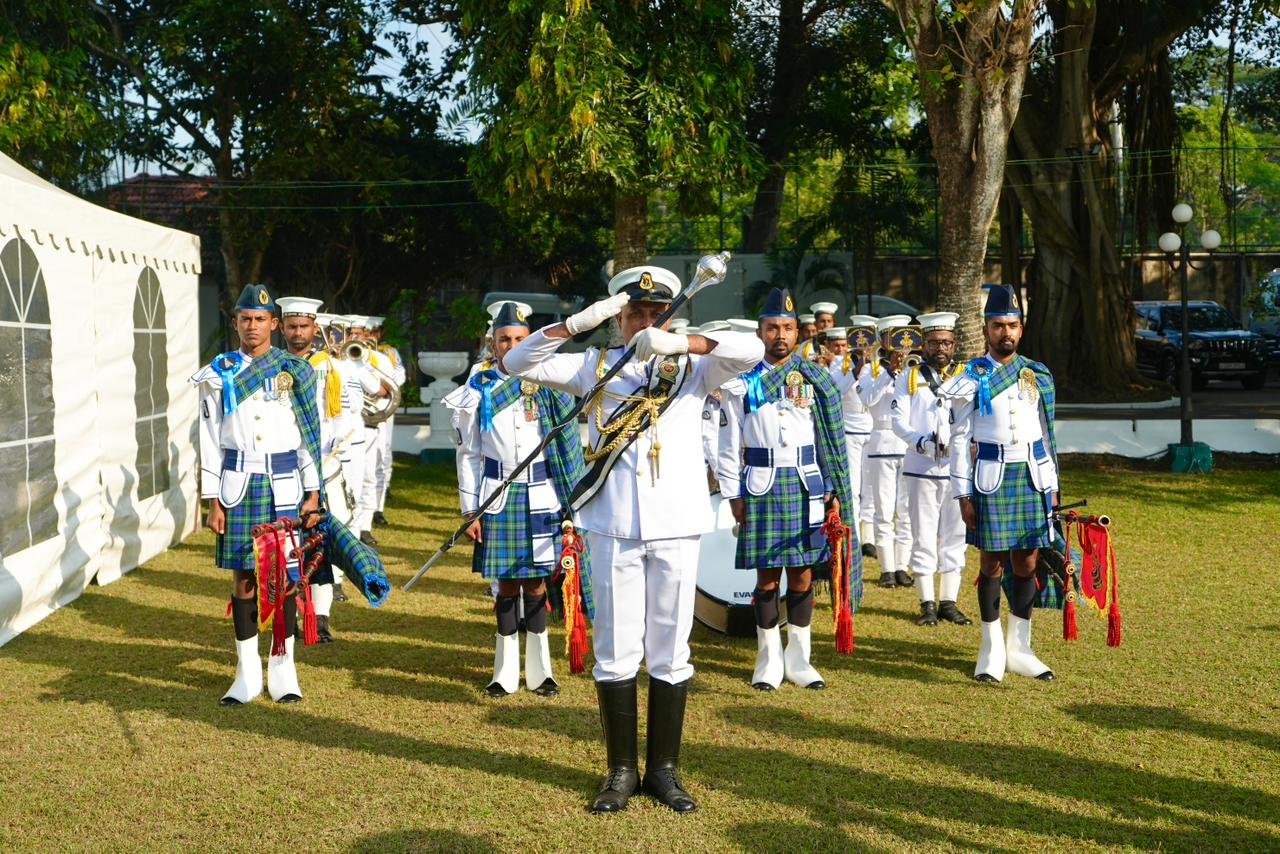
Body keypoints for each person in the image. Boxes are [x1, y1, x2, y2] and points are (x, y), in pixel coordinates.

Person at [505, 265, 762, 814]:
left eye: (655, 313)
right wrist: (581, 320)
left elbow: (753, 350)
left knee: (671, 649)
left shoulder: (695, 368)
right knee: (616, 649)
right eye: (634, 314)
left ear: (670, 316)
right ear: (619, 319)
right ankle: (620, 771)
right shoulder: (594, 365)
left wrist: (681, 340)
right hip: (612, 523)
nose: (645, 321)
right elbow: (515, 361)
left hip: (676, 522)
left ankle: (664, 772)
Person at [443, 301, 590, 697]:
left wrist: (570, 503)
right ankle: (504, 673)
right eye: (504, 339)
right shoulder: (480, 384)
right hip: (498, 496)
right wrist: (469, 509)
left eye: (520, 339)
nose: (511, 346)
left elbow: (566, 447)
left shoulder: (548, 379)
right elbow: (469, 453)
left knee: (538, 584)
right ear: (492, 342)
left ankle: (541, 671)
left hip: (543, 495)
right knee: (507, 584)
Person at [190, 284, 323, 705]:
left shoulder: (297, 371)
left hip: (285, 486)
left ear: (275, 325)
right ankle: (246, 674)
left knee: (285, 577)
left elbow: (309, 436)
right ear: (236, 323)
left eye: (260, 319)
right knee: (245, 577)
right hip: (238, 486)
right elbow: (209, 438)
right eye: (245, 318)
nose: (253, 325)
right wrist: (213, 499)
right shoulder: (218, 372)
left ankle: (283, 670)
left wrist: (314, 491)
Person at [717, 288, 854, 691]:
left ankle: (800, 659)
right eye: (773, 327)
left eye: (788, 328)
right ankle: (768, 659)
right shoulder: (741, 383)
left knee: (802, 575)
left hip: (806, 485)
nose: (781, 334)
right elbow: (726, 445)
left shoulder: (817, 378)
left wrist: (833, 489)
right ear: (760, 331)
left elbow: (831, 439)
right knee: (766, 580)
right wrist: (733, 494)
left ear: (799, 332)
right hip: (760, 486)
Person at [941, 284, 1058, 683]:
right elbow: (958, 439)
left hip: (1030, 476)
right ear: (986, 329)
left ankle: (1020, 648)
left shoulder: (1036, 374)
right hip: (989, 479)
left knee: (1027, 561)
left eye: (1011, 325)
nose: (1004, 333)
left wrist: (1053, 484)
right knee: (991, 562)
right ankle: (990, 650)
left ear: (1021, 329)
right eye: (997, 326)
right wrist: (962, 492)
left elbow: (1047, 433)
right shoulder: (970, 377)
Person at [890, 312, 971, 627]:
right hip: (921, 467)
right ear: (924, 343)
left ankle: (949, 602)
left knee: (955, 535)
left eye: (947, 343)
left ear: (954, 344)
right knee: (923, 534)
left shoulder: (966, 376)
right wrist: (920, 442)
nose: (941, 348)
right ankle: (926, 603)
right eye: (935, 342)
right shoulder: (909, 377)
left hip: (958, 469)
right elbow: (898, 421)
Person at [279, 296, 344, 642]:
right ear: (282, 327)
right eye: (292, 326)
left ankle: (320, 618)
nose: (298, 333)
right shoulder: (273, 365)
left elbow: (339, 417)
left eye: (304, 326)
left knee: (320, 546)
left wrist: (330, 461)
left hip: (320, 466)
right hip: (283, 468)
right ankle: (287, 612)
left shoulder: (328, 368)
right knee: (287, 544)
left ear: (314, 328)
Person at [858, 314, 914, 589]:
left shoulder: (915, 368)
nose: (899, 344)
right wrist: (889, 374)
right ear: (882, 340)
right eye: (892, 337)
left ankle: (902, 565)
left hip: (909, 445)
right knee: (883, 509)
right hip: (881, 442)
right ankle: (887, 567)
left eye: (902, 337)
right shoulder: (872, 369)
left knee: (906, 510)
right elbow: (866, 399)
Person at [368, 315, 407, 527]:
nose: (370, 336)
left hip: (382, 405)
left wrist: (387, 386)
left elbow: (399, 373)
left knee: (382, 453)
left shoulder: (388, 352)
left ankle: (378, 506)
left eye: (374, 332)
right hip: (361, 408)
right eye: (366, 332)